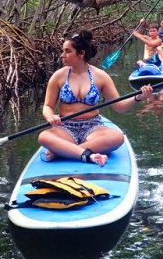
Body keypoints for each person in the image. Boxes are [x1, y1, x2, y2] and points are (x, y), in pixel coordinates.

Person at [39, 30, 153, 167]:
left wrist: (138, 96)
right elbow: (48, 106)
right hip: (65, 126)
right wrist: (50, 117)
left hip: (93, 127)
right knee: (44, 137)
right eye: (63, 51)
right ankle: (88, 155)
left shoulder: (100, 76)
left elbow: (119, 107)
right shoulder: (58, 76)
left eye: (67, 51)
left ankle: (62, 151)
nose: (62, 55)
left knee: (117, 137)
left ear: (81, 54)